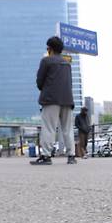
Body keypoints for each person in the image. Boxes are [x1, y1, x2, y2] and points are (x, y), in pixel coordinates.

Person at [32, 36, 76, 165]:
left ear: (49, 48)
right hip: (67, 99)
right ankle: (71, 156)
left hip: (51, 98)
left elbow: (39, 81)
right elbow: (70, 83)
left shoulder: (46, 61)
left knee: (49, 128)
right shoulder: (67, 63)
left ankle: (46, 156)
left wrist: (44, 88)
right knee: (67, 128)